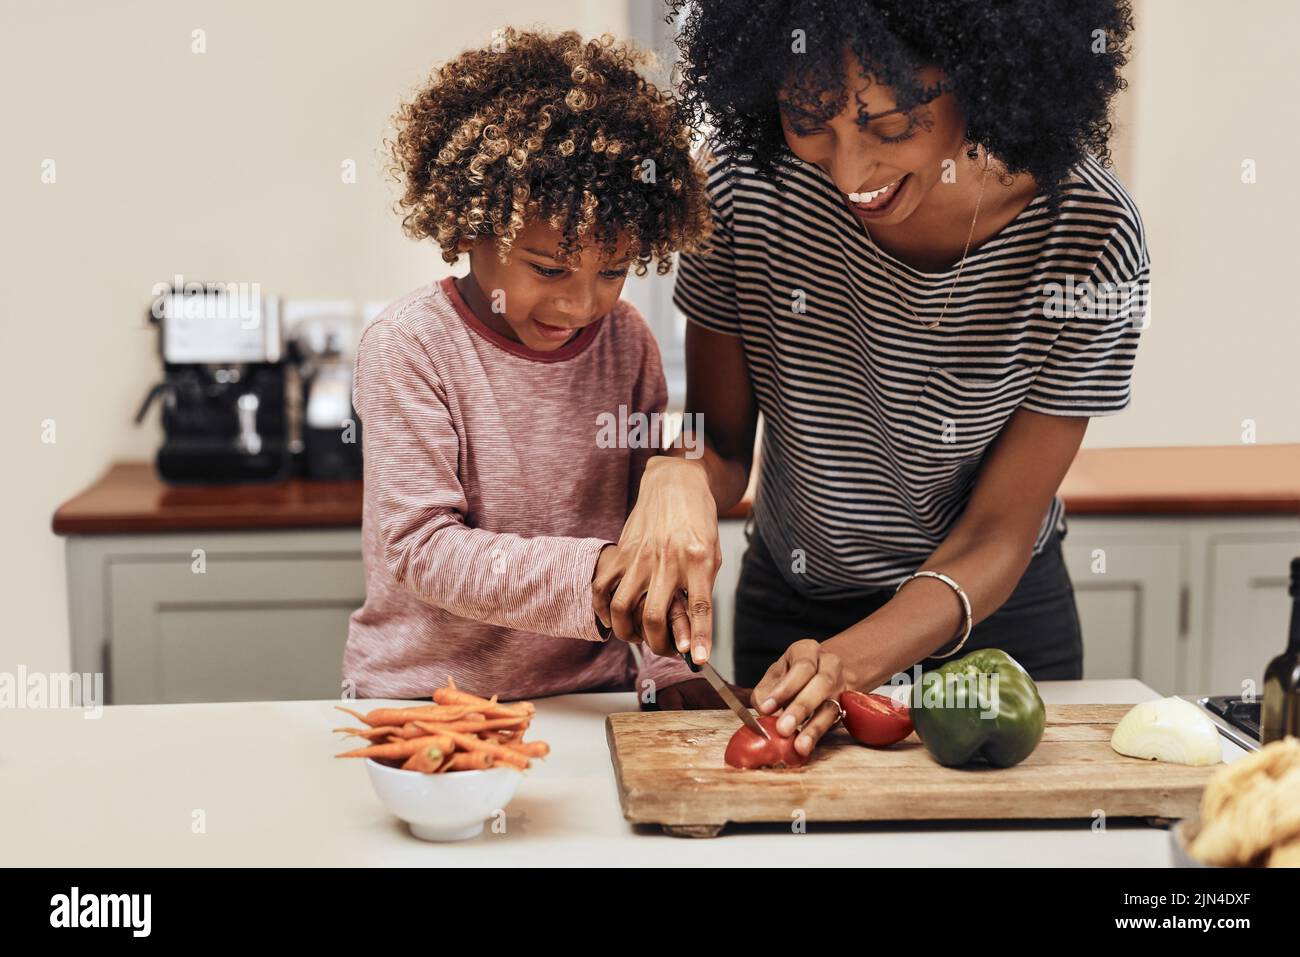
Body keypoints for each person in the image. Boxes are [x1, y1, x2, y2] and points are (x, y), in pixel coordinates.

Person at [594, 0, 1148, 753]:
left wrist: (854, 658)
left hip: (993, 628)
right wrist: (675, 474)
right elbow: (721, 447)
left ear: (984, 81)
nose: (851, 172)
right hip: (793, 610)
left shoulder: (1089, 235)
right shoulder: (744, 193)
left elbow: (997, 532)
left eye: (890, 126)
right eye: (809, 120)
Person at [344, 29, 713, 704]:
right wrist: (600, 575)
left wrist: (669, 671)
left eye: (612, 272)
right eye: (548, 268)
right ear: (468, 225)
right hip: (425, 699)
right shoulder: (409, 346)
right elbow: (421, 549)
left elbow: (650, 534)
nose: (578, 303)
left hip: (589, 694)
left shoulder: (625, 342)